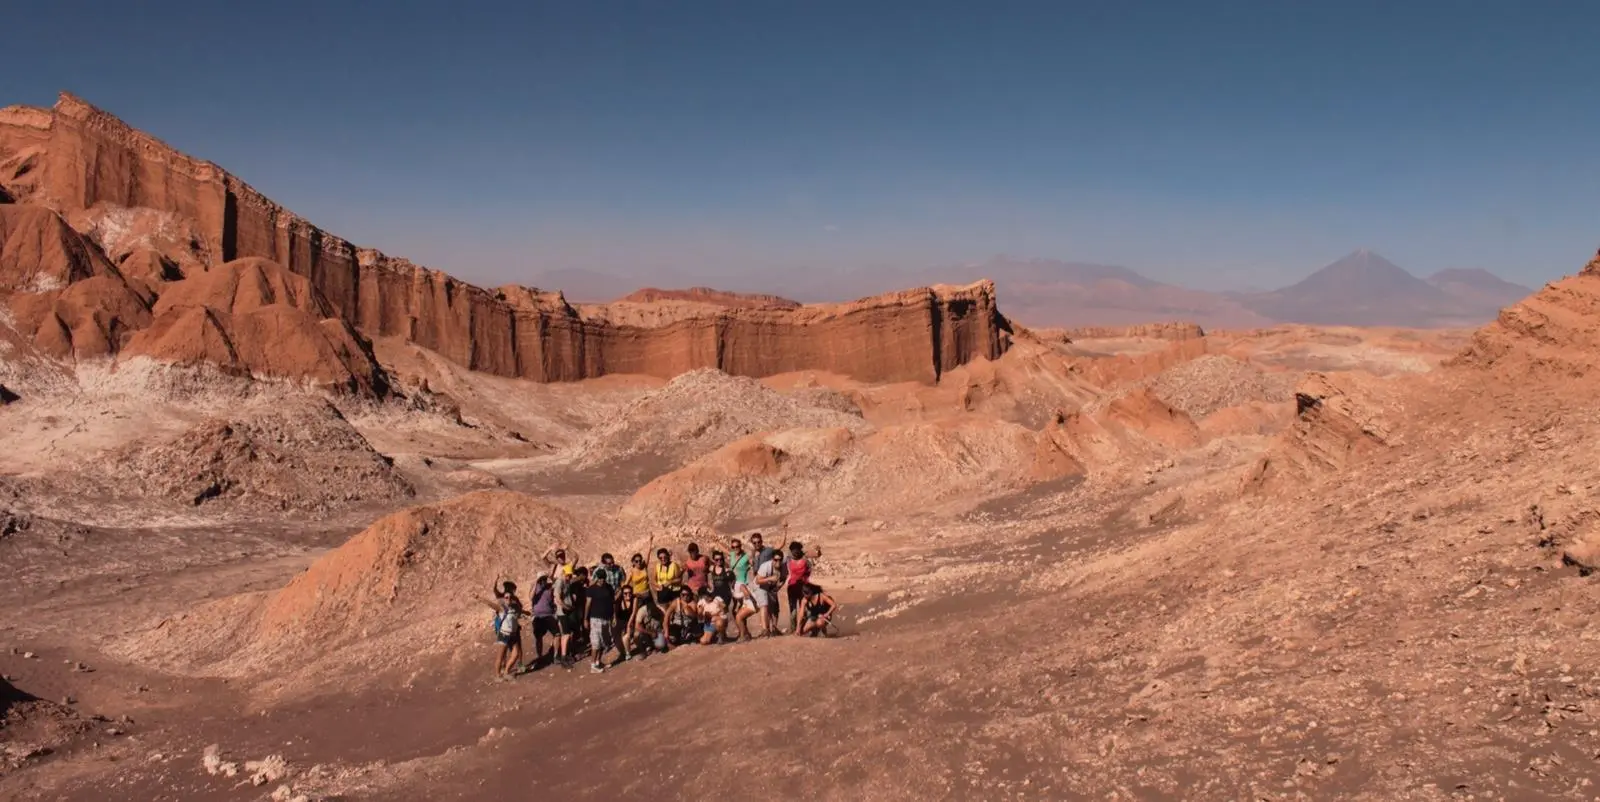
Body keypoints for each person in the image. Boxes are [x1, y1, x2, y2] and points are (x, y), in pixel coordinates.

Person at [486, 580, 524, 680]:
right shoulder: (502, 602)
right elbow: (491, 602)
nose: (509, 597)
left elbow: (519, 609)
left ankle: (506, 671)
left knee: (514, 652)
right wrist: (495, 581)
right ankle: (498, 674)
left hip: (513, 630)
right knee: (502, 653)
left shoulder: (514, 601)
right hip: (503, 629)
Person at [556, 566, 590, 669]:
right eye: (568, 575)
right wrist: (567, 607)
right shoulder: (560, 582)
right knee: (565, 635)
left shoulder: (567, 582)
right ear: (563, 573)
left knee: (568, 634)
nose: (569, 577)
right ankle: (563, 657)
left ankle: (566, 655)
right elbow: (558, 598)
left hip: (568, 610)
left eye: (570, 575)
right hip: (563, 612)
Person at [585, 571, 617, 673]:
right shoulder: (592, 589)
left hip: (606, 618)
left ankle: (598, 662)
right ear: (597, 578)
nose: (601, 580)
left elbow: (613, 603)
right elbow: (588, 604)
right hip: (595, 619)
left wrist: (614, 616)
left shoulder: (609, 588)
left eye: (603, 578)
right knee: (596, 643)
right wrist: (585, 619)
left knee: (603, 642)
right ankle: (593, 665)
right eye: (600, 578)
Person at [528, 575, 560, 668]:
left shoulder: (549, 586)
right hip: (538, 616)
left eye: (544, 579)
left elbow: (557, 582)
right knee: (539, 637)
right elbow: (530, 597)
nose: (544, 581)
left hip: (549, 615)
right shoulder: (535, 587)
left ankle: (556, 655)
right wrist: (536, 582)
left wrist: (551, 577)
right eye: (542, 579)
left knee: (557, 634)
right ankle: (540, 656)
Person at [753, 550, 784, 636]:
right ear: (772, 559)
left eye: (780, 560)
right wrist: (769, 579)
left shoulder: (783, 567)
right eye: (775, 559)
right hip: (760, 586)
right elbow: (758, 581)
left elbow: (783, 578)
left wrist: (778, 587)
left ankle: (774, 628)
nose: (778, 562)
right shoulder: (765, 566)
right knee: (764, 604)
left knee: (775, 608)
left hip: (771, 587)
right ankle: (765, 629)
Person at [785, 541, 812, 635]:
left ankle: (801, 629)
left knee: (803, 609)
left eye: (797, 550)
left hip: (803, 587)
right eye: (793, 550)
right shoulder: (788, 559)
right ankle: (793, 629)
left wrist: (805, 579)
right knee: (793, 611)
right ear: (791, 550)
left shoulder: (805, 560)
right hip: (792, 587)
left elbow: (809, 570)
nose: (795, 552)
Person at [730, 577, 758, 641]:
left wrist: (738, 595)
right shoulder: (732, 588)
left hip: (751, 603)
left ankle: (742, 636)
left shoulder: (740, 585)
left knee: (739, 617)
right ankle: (746, 634)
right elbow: (736, 600)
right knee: (738, 615)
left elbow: (747, 594)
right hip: (745, 603)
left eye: (730, 580)